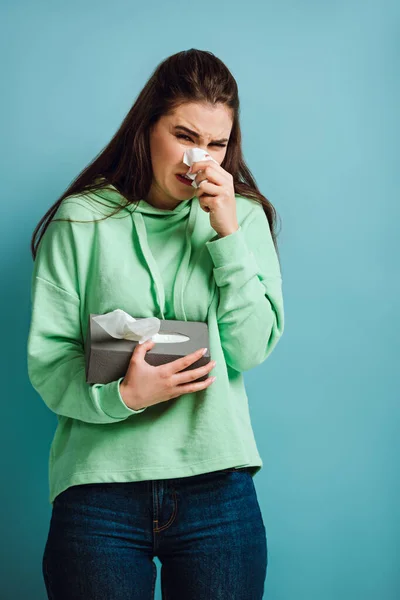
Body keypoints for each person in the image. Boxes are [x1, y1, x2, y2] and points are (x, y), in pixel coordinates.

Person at [27, 48, 285, 600]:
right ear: (147, 127)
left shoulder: (244, 217)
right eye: (185, 136)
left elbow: (249, 348)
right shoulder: (82, 220)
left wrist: (228, 236)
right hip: (98, 492)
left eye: (217, 145)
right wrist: (124, 396)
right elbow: (50, 364)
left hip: (218, 490)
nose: (202, 159)